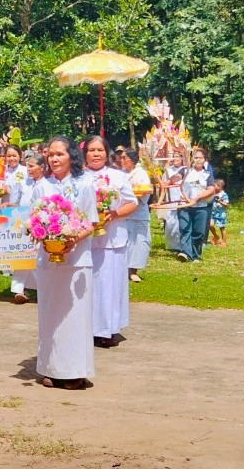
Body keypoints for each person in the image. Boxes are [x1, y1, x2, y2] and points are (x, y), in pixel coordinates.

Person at [32, 136, 98, 390]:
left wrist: (72, 240)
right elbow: (35, 220)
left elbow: (91, 222)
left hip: (78, 260)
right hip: (48, 260)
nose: (55, 159)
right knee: (50, 315)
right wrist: (45, 237)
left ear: (71, 156)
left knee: (75, 316)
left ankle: (75, 371)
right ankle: (50, 368)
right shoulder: (42, 186)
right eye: (51, 155)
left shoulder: (85, 184)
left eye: (60, 154)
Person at [83, 135, 137, 349]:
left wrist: (113, 214)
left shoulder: (118, 176)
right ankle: (86, 328)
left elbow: (132, 203)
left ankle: (108, 330)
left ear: (107, 154)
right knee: (88, 286)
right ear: (85, 153)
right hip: (84, 241)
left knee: (109, 285)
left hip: (112, 239)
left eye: (100, 150)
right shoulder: (78, 177)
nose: (96, 154)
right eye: (91, 150)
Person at [10, 152, 46, 304]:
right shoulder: (24, 182)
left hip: (41, 226)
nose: (28, 169)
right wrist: (8, 205)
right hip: (24, 224)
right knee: (22, 255)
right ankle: (19, 290)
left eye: (32, 166)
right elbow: (17, 201)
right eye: (27, 166)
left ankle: (42, 288)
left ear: (42, 167)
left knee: (38, 258)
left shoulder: (49, 184)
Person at [176, 148, 217, 262]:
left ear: (205, 160)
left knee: (199, 232)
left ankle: (196, 254)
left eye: (200, 158)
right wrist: (167, 181)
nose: (198, 160)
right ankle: (185, 253)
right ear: (192, 159)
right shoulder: (184, 171)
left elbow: (211, 189)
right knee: (185, 229)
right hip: (184, 205)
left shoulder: (207, 175)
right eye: (196, 157)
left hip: (201, 207)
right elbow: (175, 178)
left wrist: (198, 198)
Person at [118, 149, 152, 282]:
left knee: (140, 241)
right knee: (124, 240)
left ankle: (133, 271)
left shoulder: (141, 173)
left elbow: (145, 189)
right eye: (121, 158)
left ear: (132, 160)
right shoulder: (120, 174)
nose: (121, 161)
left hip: (139, 211)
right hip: (124, 212)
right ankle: (121, 269)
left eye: (124, 158)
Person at [208, 179, 230, 247]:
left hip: (221, 214)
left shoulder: (224, 195)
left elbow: (227, 205)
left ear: (219, 186)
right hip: (213, 213)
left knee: (222, 228)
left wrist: (220, 201)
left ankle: (224, 242)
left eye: (214, 186)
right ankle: (216, 236)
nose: (213, 187)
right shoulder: (213, 193)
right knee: (210, 225)